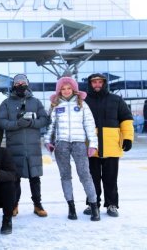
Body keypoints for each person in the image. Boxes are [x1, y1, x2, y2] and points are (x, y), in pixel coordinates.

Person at [44, 77, 100, 221]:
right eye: (63, 89)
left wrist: (93, 144)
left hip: (79, 144)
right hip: (61, 144)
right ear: (59, 91)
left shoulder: (82, 104)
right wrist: (47, 141)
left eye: (69, 88)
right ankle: (71, 207)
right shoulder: (55, 105)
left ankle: (94, 207)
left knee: (85, 175)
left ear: (74, 89)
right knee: (65, 176)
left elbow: (89, 125)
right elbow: (51, 126)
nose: (66, 91)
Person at [0, 74, 49, 217]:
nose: (20, 84)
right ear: (13, 85)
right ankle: (14, 204)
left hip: (33, 148)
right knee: (15, 178)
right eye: (17, 82)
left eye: (23, 82)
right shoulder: (6, 103)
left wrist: (32, 123)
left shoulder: (36, 102)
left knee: (35, 177)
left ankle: (37, 205)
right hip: (14, 147)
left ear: (28, 84)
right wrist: (16, 124)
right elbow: (1, 121)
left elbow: (45, 119)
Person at [83, 73, 134, 217]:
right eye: (94, 82)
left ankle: (112, 205)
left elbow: (126, 120)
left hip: (112, 146)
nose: (97, 84)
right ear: (90, 84)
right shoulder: (84, 100)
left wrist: (128, 138)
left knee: (110, 178)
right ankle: (92, 204)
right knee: (92, 178)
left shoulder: (116, 100)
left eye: (100, 82)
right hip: (91, 147)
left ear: (104, 83)